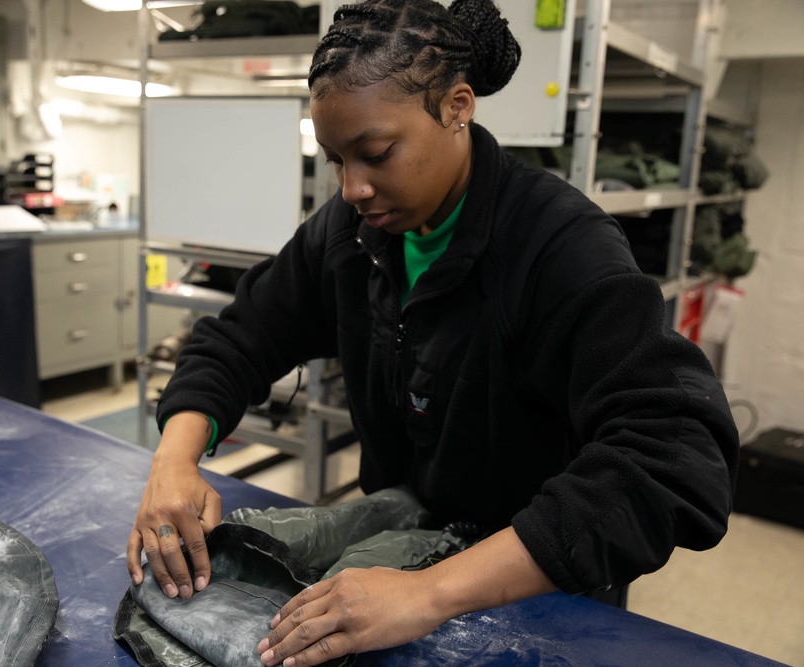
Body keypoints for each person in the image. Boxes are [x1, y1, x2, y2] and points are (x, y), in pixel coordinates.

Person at [126, 0, 740, 664]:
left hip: (535, 585)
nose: (353, 187)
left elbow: (674, 456)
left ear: (457, 107)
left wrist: (430, 592)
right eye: (335, 160)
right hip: (405, 541)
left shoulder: (561, 249)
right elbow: (241, 336)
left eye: (376, 153)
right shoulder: (352, 231)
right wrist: (173, 462)